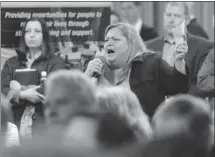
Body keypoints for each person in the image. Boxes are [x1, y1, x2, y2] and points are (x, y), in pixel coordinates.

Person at [85, 22, 188, 118]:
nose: (109, 43)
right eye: (106, 40)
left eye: (115, 39)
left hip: (143, 131)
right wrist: (87, 76)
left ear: (131, 44)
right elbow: (79, 102)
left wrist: (179, 61)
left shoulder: (151, 63)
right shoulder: (97, 67)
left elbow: (179, 88)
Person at [1, 17, 66, 139]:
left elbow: (49, 89)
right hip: (14, 125)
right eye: (27, 31)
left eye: (37, 31)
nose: (31, 35)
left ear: (44, 36)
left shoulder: (56, 62)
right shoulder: (11, 63)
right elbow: (3, 90)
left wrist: (17, 91)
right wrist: (22, 95)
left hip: (44, 124)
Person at [146, 2, 214, 98]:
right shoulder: (149, 46)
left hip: (187, 107)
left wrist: (177, 99)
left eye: (177, 16)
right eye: (168, 15)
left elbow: (203, 84)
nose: (171, 19)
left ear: (186, 19)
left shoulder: (203, 47)